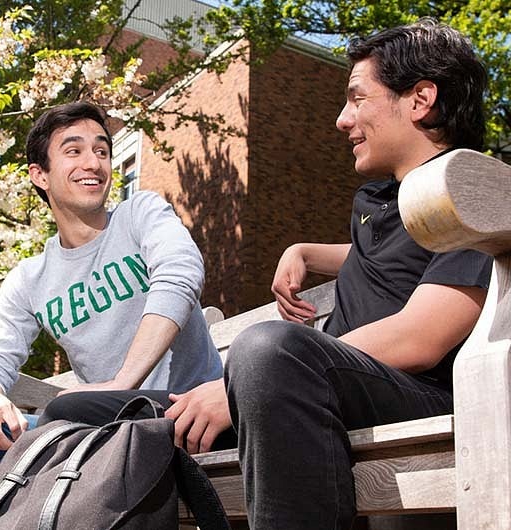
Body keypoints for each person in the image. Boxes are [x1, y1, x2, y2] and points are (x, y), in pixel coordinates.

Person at [39, 18, 493, 530]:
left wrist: (238, 384)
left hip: (409, 396)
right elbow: (391, 256)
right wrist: (305, 251)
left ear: (420, 99)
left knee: (264, 348)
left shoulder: (473, 190)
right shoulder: (377, 200)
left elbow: (423, 336)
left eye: (357, 98)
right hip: (296, 400)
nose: (342, 120)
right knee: (76, 413)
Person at [0, 102, 223, 530]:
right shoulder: (30, 278)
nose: (94, 163)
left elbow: (180, 275)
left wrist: (123, 383)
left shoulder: (139, 214)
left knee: (69, 406)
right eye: (74, 150)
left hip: (183, 416)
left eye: (102, 151)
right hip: (102, 428)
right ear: (40, 175)